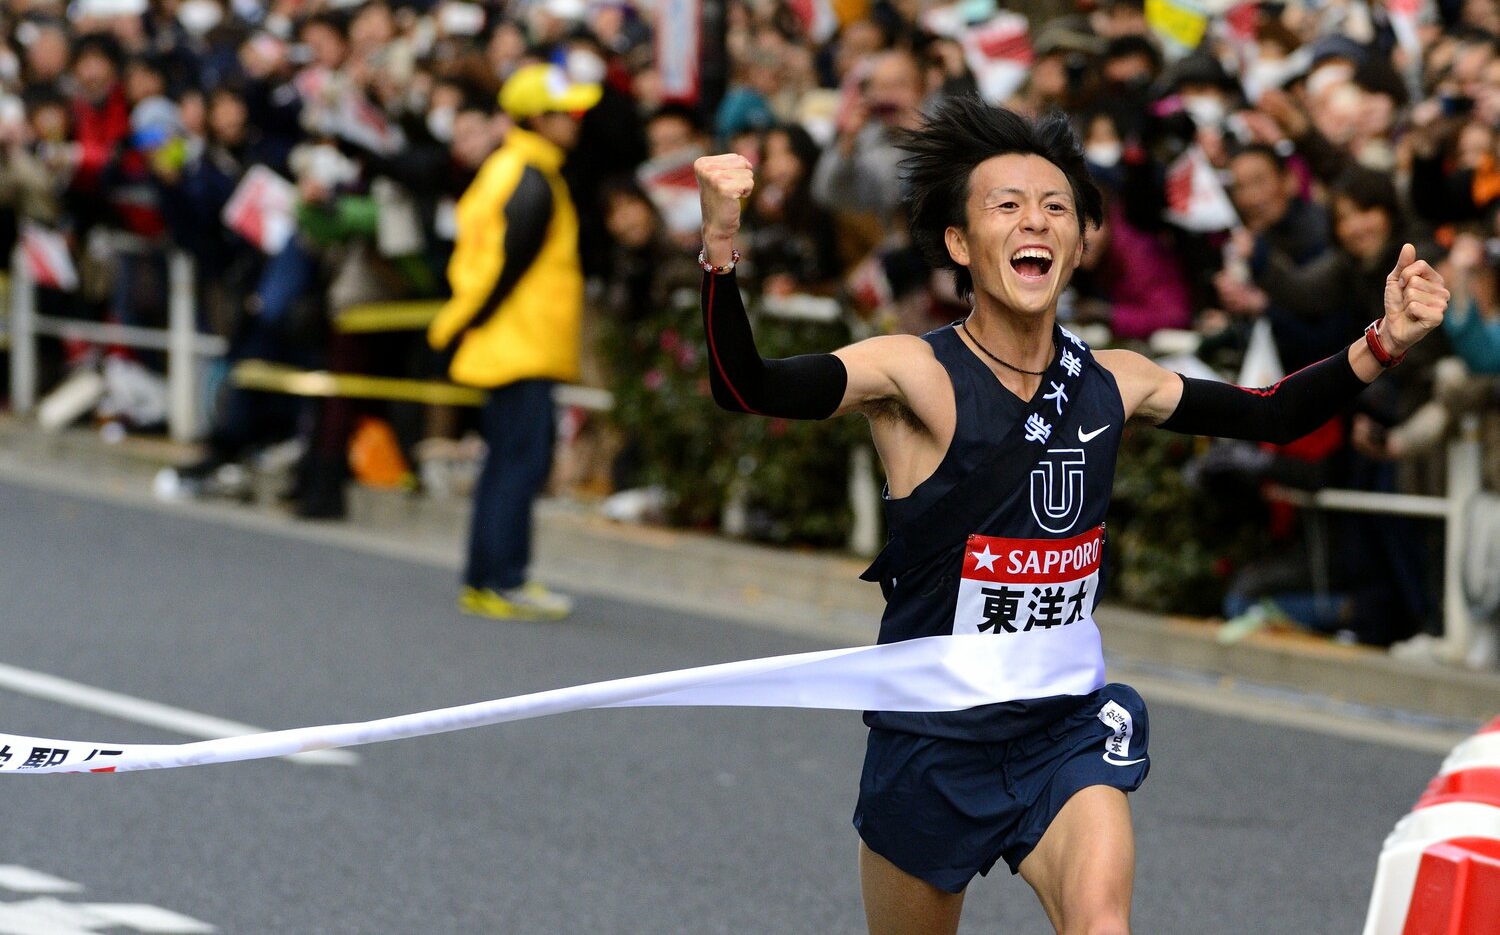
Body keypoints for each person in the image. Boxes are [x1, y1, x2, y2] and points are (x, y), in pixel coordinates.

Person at [693, 95, 1448, 935]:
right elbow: (745, 386)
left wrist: (1386, 339)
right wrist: (721, 250)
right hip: (931, 737)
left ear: (1079, 244)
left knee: (1102, 926)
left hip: (1061, 728)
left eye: (1056, 207)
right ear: (959, 244)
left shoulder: (1117, 380)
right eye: (1007, 206)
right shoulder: (911, 373)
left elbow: (1269, 412)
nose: (1037, 222)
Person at [427, 62, 600, 621]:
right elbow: (507, 265)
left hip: (511, 342)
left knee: (507, 461)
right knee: (520, 462)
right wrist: (465, 323)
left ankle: (486, 578)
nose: (576, 121)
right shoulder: (530, 176)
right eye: (566, 112)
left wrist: (462, 324)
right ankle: (503, 579)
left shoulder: (514, 168)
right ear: (536, 119)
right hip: (518, 345)